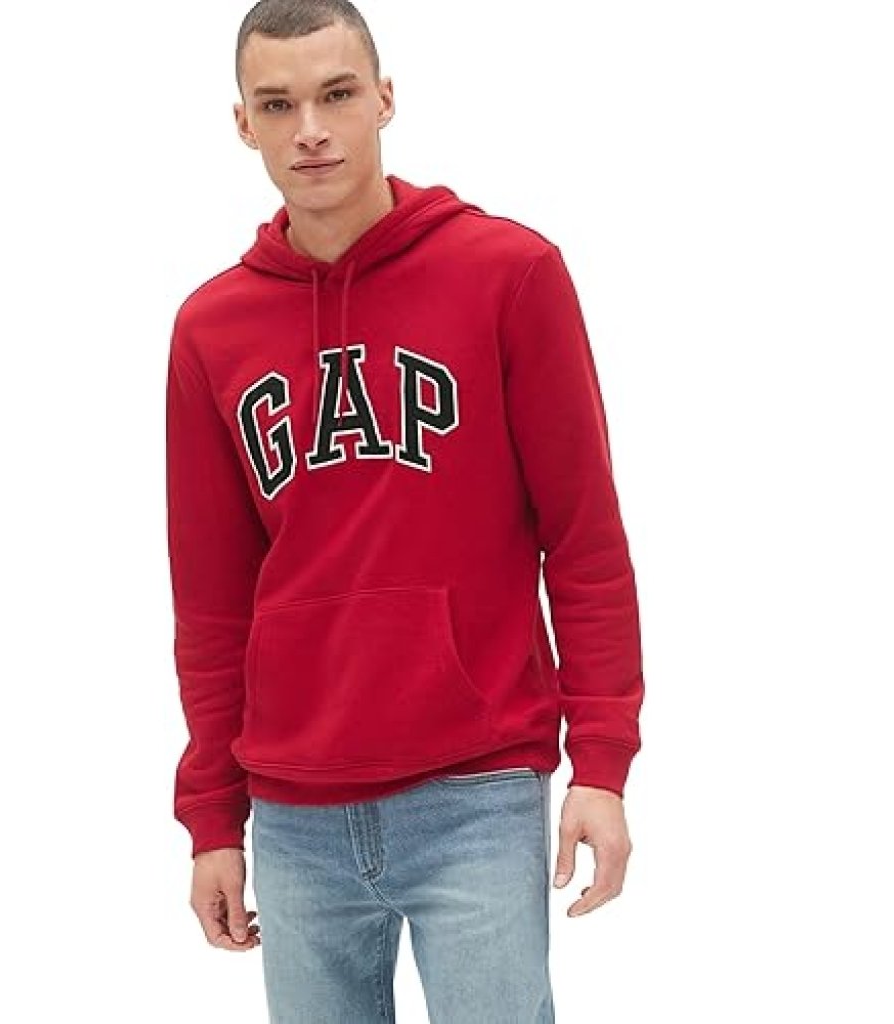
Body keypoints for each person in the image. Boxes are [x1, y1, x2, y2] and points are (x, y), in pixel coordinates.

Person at [164, 1, 645, 1020]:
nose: (311, 130)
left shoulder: (508, 275)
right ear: (242, 124)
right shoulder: (211, 329)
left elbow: (585, 543)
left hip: (476, 790)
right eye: (277, 105)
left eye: (336, 94)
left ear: (384, 99)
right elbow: (211, 601)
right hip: (292, 812)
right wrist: (212, 817)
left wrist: (601, 763)